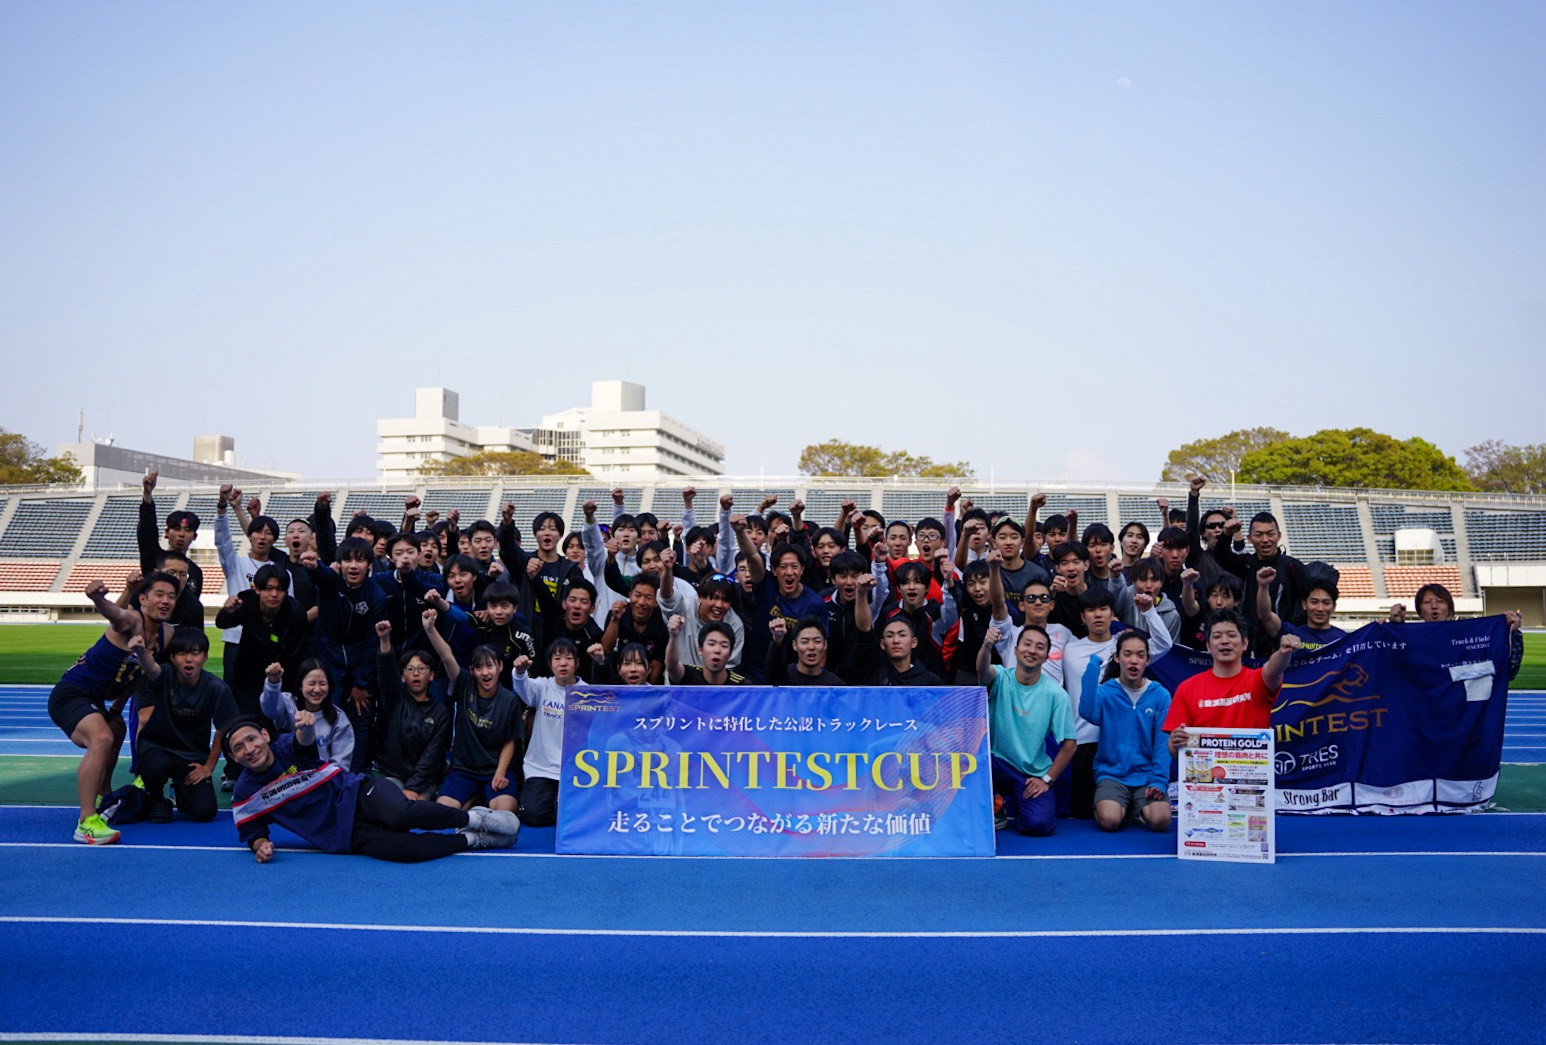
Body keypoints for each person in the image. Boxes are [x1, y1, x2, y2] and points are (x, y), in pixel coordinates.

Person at [228, 712, 519, 862]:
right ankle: (472, 840)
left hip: (357, 793)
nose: (249, 749)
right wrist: (260, 845)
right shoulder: (245, 793)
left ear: (265, 735)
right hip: (343, 835)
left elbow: (302, 742)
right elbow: (253, 831)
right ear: (233, 758)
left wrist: (306, 727)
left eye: (251, 739)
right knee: (405, 851)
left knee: (400, 815)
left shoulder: (285, 747)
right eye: (239, 748)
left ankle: (476, 819)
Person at [49, 574, 178, 844]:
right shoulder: (132, 620)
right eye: (159, 594)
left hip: (96, 698)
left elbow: (140, 675)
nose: (166, 600)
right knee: (102, 737)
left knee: (116, 729)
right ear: (143, 599)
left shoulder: (167, 634)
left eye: (171, 596)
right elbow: (115, 615)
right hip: (71, 693)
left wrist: (117, 708)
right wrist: (98, 599)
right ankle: (86, 822)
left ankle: (102, 794)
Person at [975, 624, 1077, 836]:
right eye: (1027, 644)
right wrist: (986, 646)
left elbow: (1069, 745)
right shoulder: (1001, 677)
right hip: (996, 764)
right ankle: (997, 803)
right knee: (972, 761)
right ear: (1015, 650)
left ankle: (1013, 802)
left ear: (1046, 657)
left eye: (1039, 647)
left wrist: (1046, 779)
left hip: (1030, 773)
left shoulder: (1057, 695)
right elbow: (982, 671)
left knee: (1038, 825)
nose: (1032, 650)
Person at [127, 628, 237, 823]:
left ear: (205, 657)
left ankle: (182, 790)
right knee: (154, 765)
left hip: (191, 756)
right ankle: (157, 800)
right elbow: (151, 669)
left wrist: (208, 767)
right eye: (181, 653)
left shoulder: (216, 688)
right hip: (158, 748)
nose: (188, 659)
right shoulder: (164, 675)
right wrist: (141, 652)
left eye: (195, 653)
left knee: (203, 812)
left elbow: (224, 729)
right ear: (172, 657)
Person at [423, 610, 522, 815]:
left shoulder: (510, 700)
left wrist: (500, 773)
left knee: (505, 811)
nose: (485, 672)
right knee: (443, 811)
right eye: (479, 668)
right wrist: (430, 629)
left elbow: (510, 741)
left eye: (490, 666)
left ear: (500, 666)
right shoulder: (464, 684)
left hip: (495, 769)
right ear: (472, 670)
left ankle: (478, 798)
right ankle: (474, 798)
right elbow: (446, 655)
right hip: (464, 770)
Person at [1165, 608, 1302, 756]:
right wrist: (1175, 742)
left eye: (1231, 635)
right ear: (1208, 646)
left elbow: (1274, 669)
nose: (1224, 641)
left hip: (1253, 769)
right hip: (1203, 770)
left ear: (1245, 643)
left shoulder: (1259, 680)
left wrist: (1284, 651)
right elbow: (1174, 750)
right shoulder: (1187, 688)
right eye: (1217, 636)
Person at [1077, 632, 1172, 833]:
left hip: (1146, 776)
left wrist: (1159, 780)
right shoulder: (1106, 692)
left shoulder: (1160, 695)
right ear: (1117, 657)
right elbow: (1086, 712)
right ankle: (1122, 807)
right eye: (1127, 654)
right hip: (1112, 774)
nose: (1133, 660)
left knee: (1161, 820)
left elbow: (1163, 742)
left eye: (1140, 655)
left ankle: (1135, 810)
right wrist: (1093, 666)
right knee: (1109, 821)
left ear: (1148, 660)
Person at [508, 640, 584, 827]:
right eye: (557, 659)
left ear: (577, 663)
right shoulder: (542, 687)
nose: (563, 663)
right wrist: (520, 672)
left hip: (574, 769)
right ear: (550, 664)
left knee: (567, 817)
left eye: (568, 658)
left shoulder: (588, 693)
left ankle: (557, 803)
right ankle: (552, 801)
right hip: (540, 767)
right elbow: (522, 686)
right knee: (533, 815)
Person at [373, 621, 450, 801]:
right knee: (388, 802)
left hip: (425, 781)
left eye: (422, 669)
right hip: (393, 776)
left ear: (431, 675)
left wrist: (413, 787)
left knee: (413, 807)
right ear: (402, 676)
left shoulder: (441, 712)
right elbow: (386, 674)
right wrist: (384, 639)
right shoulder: (395, 700)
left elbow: (432, 755)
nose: (416, 673)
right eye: (410, 669)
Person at [1389, 583, 1525, 680]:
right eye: (1427, 602)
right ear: (1419, 611)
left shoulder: (1468, 637)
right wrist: (1392, 628)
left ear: (1449, 608)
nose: (1434, 606)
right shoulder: (1412, 640)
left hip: (1463, 711)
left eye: (1440, 601)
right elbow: (1395, 668)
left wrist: (1512, 634)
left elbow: (1507, 671)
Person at [260, 659, 355, 770]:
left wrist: (323, 777)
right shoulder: (288, 704)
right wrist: (273, 683)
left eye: (323, 684)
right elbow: (270, 710)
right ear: (300, 685)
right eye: (311, 683)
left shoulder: (338, 717)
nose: (317, 689)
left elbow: (341, 762)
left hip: (322, 777)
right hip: (284, 775)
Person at [1255, 568, 1346, 651]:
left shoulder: (1344, 640)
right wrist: (1263, 585)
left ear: (1334, 606)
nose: (1320, 608)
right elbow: (1265, 615)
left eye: (1326, 603)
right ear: (1304, 604)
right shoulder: (1290, 633)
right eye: (1314, 602)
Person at [764, 616, 846, 685]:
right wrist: (778, 639)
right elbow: (772, 671)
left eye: (817, 641)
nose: (811, 647)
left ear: (825, 645)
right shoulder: (784, 677)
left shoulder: (835, 685)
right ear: (795, 645)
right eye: (804, 641)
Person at [665, 617, 746, 686]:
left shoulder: (743, 687)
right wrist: (673, 636)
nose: (717, 650)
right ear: (700, 650)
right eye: (711, 644)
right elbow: (672, 665)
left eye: (724, 646)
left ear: (730, 654)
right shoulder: (689, 675)